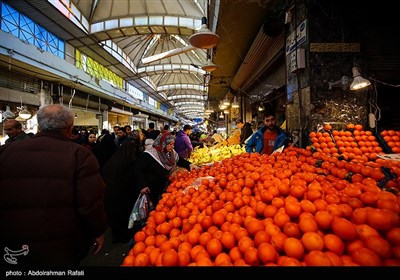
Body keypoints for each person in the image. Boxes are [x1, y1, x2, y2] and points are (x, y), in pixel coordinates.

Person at [0, 104, 107, 267]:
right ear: (70, 128)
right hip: (62, 247)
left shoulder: (5, 152)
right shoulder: (80, 155)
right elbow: (90, 202)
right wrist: (98, 231)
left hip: (13, 244)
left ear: (40, 124)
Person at [133, 132, 197, 210]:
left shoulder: (170, 152)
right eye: (170, 144)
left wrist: (189, 165)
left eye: (173, 144)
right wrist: (142, 185)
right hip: (152, 188)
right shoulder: (149, 154)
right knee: (156, 209)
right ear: (162, 144)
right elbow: (137, 169)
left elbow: (179, 160)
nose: (172, 147)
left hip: (166, 187)